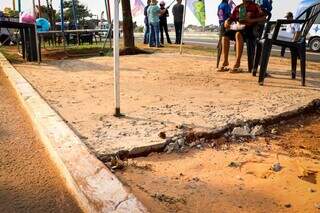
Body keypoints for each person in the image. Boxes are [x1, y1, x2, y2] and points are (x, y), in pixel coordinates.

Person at [218, 0, 266, 73]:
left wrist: (251, 20)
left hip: (251, 30)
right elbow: (231, 18)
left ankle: (237, 63)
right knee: (225, 36)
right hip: (239, 28)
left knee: (238, 34)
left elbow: (263, 18)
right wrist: (227, 22)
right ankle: (225, 61)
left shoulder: (255, 6)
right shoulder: (238, 8)